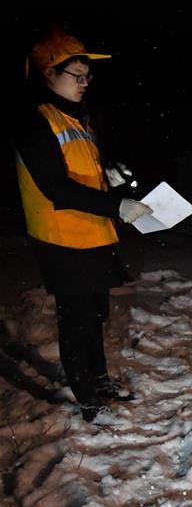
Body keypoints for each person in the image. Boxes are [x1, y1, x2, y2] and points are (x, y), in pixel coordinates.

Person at [14, 27, 153, 422]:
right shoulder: (35, 122)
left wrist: (108, 176)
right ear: (48, 75)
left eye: (87, 76)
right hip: (62, 240)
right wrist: (116, 204)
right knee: (76, 322)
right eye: (77, 75)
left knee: (95, 316)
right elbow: (56, 188)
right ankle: (87, 397)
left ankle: (99, 379)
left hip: (91, 234)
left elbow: (79, 173)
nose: (85, 83)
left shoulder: (76, 118)